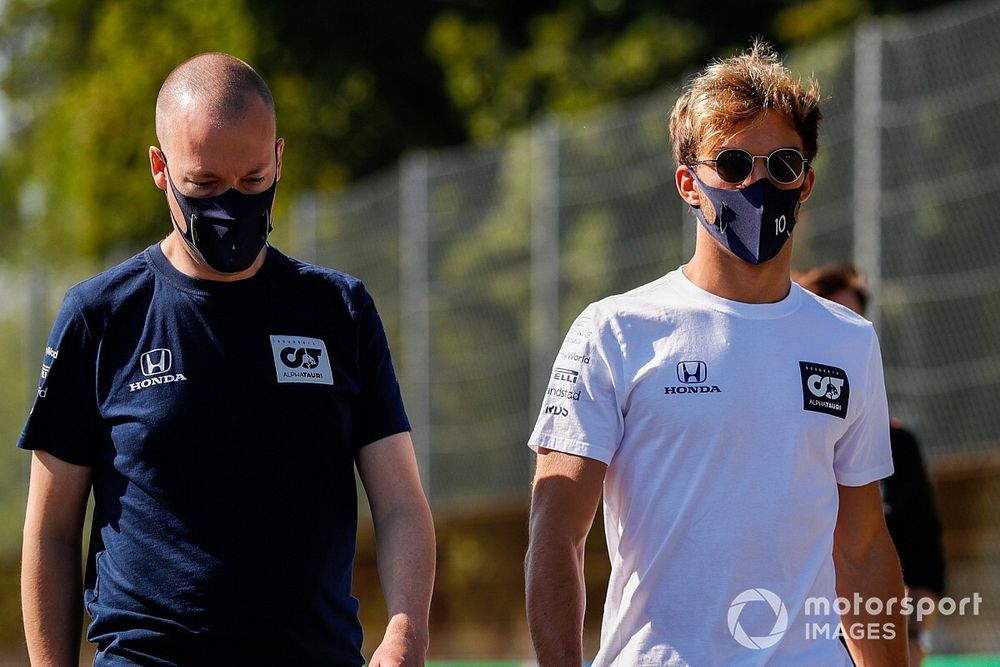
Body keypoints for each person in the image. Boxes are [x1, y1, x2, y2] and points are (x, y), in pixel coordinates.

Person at [19, 52, 435, 667]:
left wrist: (405, 635)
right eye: (204, 185)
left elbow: (400, 501)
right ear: (160, 168)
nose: (231, 205)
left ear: (279, 159)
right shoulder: (100, 316)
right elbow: (52, 531)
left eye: (252, 181)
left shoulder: (338, 311)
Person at [525, 41, 909, 666]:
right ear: (689, 184)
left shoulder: (848, 341)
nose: (757, 183)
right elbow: (557, 532)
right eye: (731, 165)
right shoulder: (613, 331)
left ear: (806, 182)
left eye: (782, 165)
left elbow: (863, 547)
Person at [797, 263, 947, 667]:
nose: (844, 332)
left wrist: (911, 637)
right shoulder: (771, 435)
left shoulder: (898, 445)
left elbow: (919, 555)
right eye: (832, 316)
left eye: (854, 320)